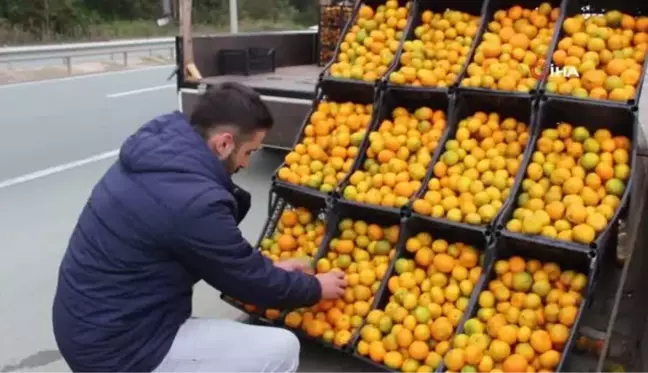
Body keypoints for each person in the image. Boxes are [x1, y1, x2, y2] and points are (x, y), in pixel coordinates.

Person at [51, 82, 347, 373]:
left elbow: (221, 260)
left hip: (89, 324)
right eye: (249, 152)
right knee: (282, 348)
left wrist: (272, 271)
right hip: (119, 350)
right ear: (224, 143)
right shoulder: (194, 201)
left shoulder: (161, 154)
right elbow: (245, 279)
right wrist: (316, 287)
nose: (247, 163)